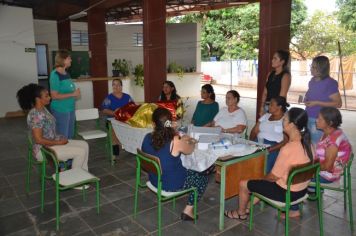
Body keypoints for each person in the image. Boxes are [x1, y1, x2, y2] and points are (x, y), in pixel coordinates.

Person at [224, 108, 313, 220]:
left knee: (244, 184)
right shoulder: (309, 145)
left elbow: (272, 177)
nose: (282, 122)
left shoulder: (288, 149)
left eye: (284, 119)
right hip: (301, 191)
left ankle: (240, 213)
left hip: (285, 193)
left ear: (292, 125)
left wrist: (259, 180)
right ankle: (247, 207)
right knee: (260, 183)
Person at [141, 107, 208, 221]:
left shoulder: (147, 137)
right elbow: (190, 150)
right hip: (170, 185)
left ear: (153, 124)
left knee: (184, 168)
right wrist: (188, 139)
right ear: (171, 123)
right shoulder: (175, 141)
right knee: (202, 178)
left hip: (155, 180)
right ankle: (188, 211)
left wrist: (175, 133)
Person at [17, 84, 89, 179]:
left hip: (51, 144)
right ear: (38, 99)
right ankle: (74, 180)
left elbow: (48, 131)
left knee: (84, 145)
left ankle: (82, 175)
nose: (49, 97)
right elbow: (38, 140)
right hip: (44, 151)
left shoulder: (43, 109)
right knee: (80, 152)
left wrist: (58, 139)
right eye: (46, 96)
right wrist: (58, 142)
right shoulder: (36, 115)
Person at [304, 56, 342, 144]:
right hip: (308, 116)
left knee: (318, 145)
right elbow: (310, 94)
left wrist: (316, 103)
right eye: (311, 66)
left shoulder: (330, 83)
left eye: (314, 67)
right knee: (309, 144)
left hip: (321, 119)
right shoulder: (312, 81)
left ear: (322, 69)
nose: (311, 69)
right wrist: (305, 99)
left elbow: (338, 104)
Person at [249, 96, 289, 173]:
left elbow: (285, 141)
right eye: (269, 104)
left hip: (274, 147)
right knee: (246, 161)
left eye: (271, 104)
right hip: (258, 143)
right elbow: (254, 131)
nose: (268, 106)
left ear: (279, 107)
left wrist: (270, 149)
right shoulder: (266, 116)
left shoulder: (285, 120)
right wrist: (250, 142)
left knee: (263, 168)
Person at [313, 107, 352, 185]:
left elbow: (327, 167)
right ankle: (313, 192)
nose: (316, 120)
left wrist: (308, 168)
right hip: (324, 170)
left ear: (330, 123)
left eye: (320, 119)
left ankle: (312, 194)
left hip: (327, 175)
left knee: (291, 176)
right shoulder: (332, 132)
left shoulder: (332, 142)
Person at [49, 49, 80, 139]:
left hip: (70, 109)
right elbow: (54, 96)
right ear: (63, 60)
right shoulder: (55, 75)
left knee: (70, 136)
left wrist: (74, 94)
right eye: (69, 58)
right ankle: (62, 153)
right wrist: (73, 94)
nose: (71, 60)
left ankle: (69, 153)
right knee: (62, 137)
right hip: (61, 110)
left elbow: (68, 90)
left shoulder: (66, 73)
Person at [101, 78, 134, 156]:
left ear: (121, 86)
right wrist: (114, 113)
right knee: (114, 128)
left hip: (124, 120)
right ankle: (115, 150)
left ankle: (131, 147)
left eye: (118, 85)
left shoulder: (127, 97)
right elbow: (104, 110)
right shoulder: (109, 98)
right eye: (114, 85)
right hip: (112, 119)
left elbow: (133, 108)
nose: (116, 86)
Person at [259, 50, 291, 117]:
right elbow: (265, 92)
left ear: (282, 62)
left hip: (276, 108)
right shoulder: (270, 74)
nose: (272, 60)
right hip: (267, 106)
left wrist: (273, 109)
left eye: (275, 58)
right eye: (273, 58)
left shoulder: (286, 76)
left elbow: (282, 97)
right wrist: (262, 106)